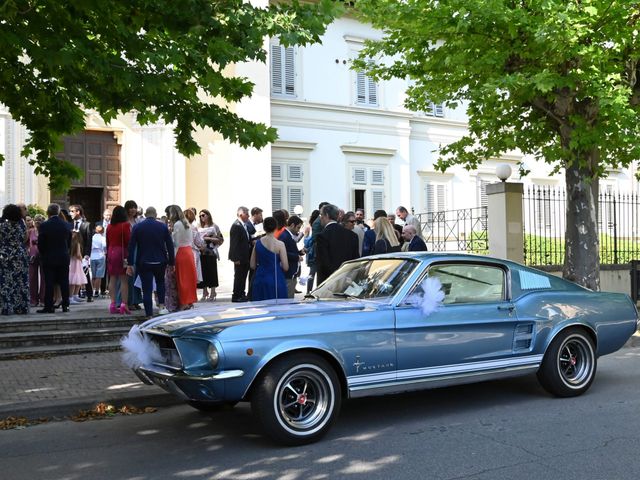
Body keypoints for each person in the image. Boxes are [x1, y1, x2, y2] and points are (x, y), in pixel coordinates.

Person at [127, 206, 174, 316]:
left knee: (146, 289)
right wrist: (172, 262)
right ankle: (162, 306)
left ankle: (149, 314)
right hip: (160, 261)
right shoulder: (163, 227)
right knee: (160, 283)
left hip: (144, 261)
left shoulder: (137, 227)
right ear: (156, 214)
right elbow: (170, 245)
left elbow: (131, 246)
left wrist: (130, 263)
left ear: (146, 214)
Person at [37, 203, 72, 314]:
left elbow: (41, 244)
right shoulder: (66, 225)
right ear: (58, 212)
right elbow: (69, 242)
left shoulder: (44, 225)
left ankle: (49, 306)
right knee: (64, 281)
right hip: (63, 256)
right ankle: (65, 305)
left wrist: (43, 254)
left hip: (49, 257)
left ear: (48, 213)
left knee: (49, 282)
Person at [315, 204, 360, 286]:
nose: (320, 217)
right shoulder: (352, 236)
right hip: (346, 281)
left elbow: (323, 263)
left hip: (327, 283)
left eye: (321, 214)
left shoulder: (322, 236)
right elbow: (355, 261)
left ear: (327, 215)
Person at [250, 216, 289, 301]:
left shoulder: (257, 243)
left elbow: (252, 265)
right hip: (276, 278)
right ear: (276, 227)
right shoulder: (280, 244)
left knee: (261, 308)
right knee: (278, 307)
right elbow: (286, 267)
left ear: (264, 228)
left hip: (260, 278)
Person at [0, 204, 30, 315]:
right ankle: (21, 307)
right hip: (20, 255)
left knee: (6, 282)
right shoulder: (22, 224)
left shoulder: (2, 225)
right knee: (21, 281)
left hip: (6, 255)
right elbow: (25, 238)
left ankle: (7, 307)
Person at [166, 205, 198, 310]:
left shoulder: (177, 225)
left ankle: (183, 303)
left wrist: (172, 259)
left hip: (181, 253)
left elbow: (176, 243)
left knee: (182, 280)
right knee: (189, 279)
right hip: (189, 252)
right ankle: (189, 301)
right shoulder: (186, 223)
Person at [106, 205, 130, 314]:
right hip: (121, 253)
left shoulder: (109, 226)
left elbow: (107, 241)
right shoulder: (125, 225)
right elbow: (128, 240)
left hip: (111, 252)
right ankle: (124, 304)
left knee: (112, 279)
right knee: (124, 279)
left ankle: (112, 303)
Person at [197, 209, 223, 302]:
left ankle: (213, 291)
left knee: (212, 272)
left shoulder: (214, 226)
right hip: (201, 252)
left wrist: (209, 239)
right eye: (200, 216)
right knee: (203, 272)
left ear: (208, 215)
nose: (201, 217)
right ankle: (204, 292)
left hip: (211, 252)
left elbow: (220, 239)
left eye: (203, 215)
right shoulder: (198, 226)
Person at [69, 204, 93, 302]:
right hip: (72, 253)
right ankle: (75, 294)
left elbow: (89, 240)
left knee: (84, 274)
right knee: (73, 274)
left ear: (78, 212)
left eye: (72, 211)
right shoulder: (69, 224)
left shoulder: (87, 224)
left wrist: (87, 255)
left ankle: (89, 294)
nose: (70, 213)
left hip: (82, 252)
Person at [228, 206, 251, 302]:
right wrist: (235, 258)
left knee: (243, 276)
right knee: (239, 276)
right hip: (239, 257)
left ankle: (241, 293)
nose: (248, 216)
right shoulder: (236, 226)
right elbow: (234, 243)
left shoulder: (243, 225)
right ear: (241, 214)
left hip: (245, 256)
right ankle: (237, 295)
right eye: (247, 214)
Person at [124, 200, 143, 310]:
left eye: (134, 207)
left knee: (137, 275)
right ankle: (129, 300)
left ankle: (136, 300)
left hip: (138, 249)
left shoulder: (137, 221)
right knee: (129, 276)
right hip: (129, 249)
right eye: (130, 207)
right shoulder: (124, 222)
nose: (132, 209)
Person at [281, 215, 305, 298]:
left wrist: (299, 252)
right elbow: (283, 253)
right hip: (288, 273)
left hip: (291, 272)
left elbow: (289, 251)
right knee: (288, 299)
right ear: (292, 225)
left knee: (290, 297)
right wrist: (297, 257)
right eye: (298, 228)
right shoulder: (285, 236)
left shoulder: (288, 235)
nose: (298, 231)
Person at [27, 214, 46, 307]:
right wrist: (28, 252)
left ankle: (43, 299)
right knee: (32, 277)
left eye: (40, 221)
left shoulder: (46, 231)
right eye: (36, 221)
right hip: (32, 256)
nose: (37, 222)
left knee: (44, 278)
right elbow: (26, 243)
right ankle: (33, 300)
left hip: (44, 255)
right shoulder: (30, 231)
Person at [184, 208, 204, 286]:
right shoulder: (193, 227)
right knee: (192, 277)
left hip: (181, 252)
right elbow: (199, 242)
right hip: (192, 253)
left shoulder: (179, 227)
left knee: (184, 276)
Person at [303, 209, 320, 293]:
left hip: (310, 253)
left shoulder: (309, 227)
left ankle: (308, 291)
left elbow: (305, 241)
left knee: (311, 273)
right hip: (313, 252)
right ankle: (313, 291)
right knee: (314, 273)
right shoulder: (314, 227)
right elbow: (308, 241)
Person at [90, 225, 107, 297]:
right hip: (100, 255)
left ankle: (93, 290)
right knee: (99, 276)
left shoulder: (92, 237)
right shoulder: (103, 238)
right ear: (102, 231)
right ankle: (97, 291)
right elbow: (104, 246)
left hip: (92, 256)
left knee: (93, 275)